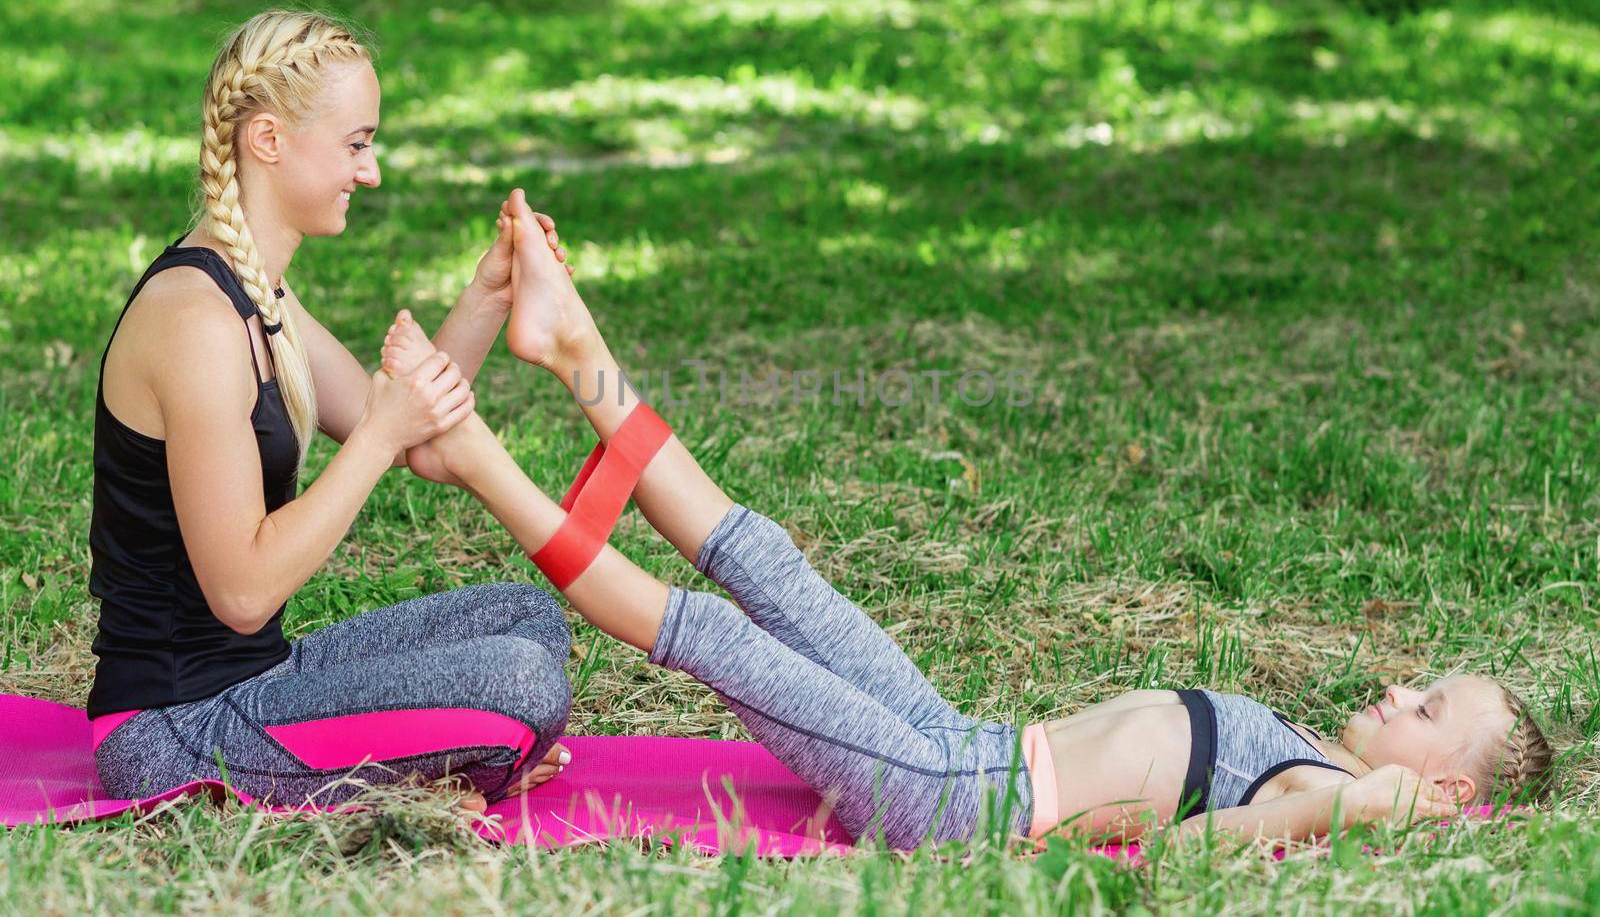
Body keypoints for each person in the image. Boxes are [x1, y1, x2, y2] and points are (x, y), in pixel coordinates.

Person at [381, 190, 1558, 848]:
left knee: (723, 634)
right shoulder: (1305, 756)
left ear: (1446, 791)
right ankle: (578, 352)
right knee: (776, 572)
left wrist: (1360, 803)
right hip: (968, 739)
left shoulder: (1316, 803)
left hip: (951, 798)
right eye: (1421, 680)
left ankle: (476, 456)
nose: (1401, 689)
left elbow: (1180, 860)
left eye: (1427, 708)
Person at [88, 10, 577, 812]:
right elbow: (242, 592)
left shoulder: (259, 291)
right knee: (518, 682)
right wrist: (381, 434)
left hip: (263, 680)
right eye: (356, 143)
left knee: (525, 617)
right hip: (174, 727)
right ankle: (447, 763)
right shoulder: (196, 321)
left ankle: (449, 755)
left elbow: (413, 433)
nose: (372, 170)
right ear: (269, 141)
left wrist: (491, 290)